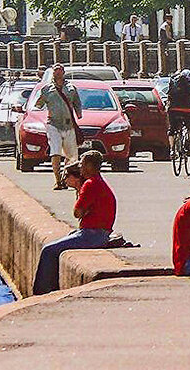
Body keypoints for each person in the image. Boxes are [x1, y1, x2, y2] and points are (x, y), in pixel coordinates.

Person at [32, 151, 116, 294]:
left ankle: (41, 292)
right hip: (98, 232)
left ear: (89, 166)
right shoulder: (98, 181)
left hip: (93, 234)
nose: (80, 168)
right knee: (58, 246)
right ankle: (51, 288)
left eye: (82, 165)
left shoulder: (90, 184)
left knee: (48, 250)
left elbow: (77, 213)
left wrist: (78, 189)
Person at [34, 64, 84, 189]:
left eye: (59, 70)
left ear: (63, 72)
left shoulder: (71, 88)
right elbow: (38, 104)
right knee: (55, 152)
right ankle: (57, 180)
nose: (57, 72)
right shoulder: (46, 89)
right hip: (53, 124)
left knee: (71, 155)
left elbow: (77, 102)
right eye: (55, 70)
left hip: (68, 125)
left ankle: (65, 178)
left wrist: (79, 114)